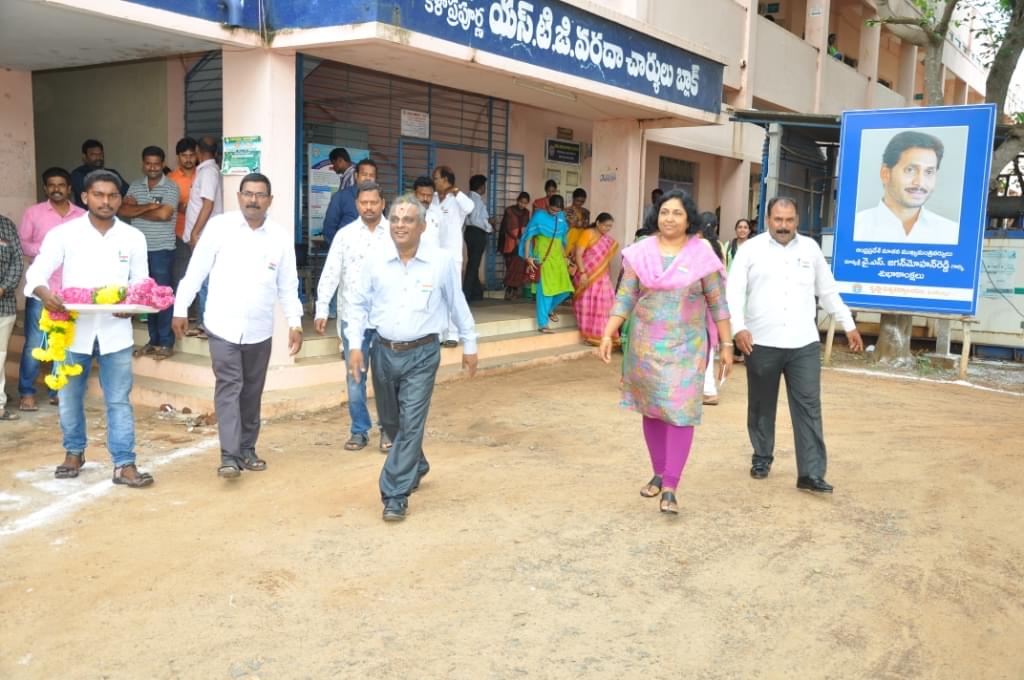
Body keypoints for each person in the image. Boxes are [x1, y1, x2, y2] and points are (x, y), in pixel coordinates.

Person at [344, 195, 479, 522]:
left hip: (423, 352)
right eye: (395, 219)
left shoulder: (441, 261)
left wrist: (469, 343)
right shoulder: (374, 259)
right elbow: (358, 304)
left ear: (422, 225)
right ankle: (416, 462)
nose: (400, 225)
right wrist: (354, 345)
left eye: (407, 220)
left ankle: (394, 492)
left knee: (412, 421)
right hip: (384, 350)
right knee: (392, 423)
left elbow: (456, 302)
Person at [597, 189, 733, 515]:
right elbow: (626, 295)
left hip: (687, 348)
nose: (669, 218)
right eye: (664, 212)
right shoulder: (640, 253)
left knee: (681, 412)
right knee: (652, 409)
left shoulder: (702, 255)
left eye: (677, 213)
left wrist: (726, 345)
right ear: (656, 216)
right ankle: (658, 471)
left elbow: (717, 302)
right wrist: (607, 330)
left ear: (689, 219)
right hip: (645, 346)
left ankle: (671, 485)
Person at [23, 170, 154, 487]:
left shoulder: (133, 237)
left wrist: (132, 308)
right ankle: (74, 452)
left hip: (116, 333)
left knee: (119, 399)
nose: (106, 201)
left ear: (120, 199)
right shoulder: (64, 234)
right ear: (84, 197)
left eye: (112, 195)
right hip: (72, 331)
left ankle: (124, 463)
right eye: (99, 194)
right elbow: (37, 273)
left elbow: (140, 282)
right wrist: (45, 295)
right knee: (69, 397)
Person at [726, 197, 864, 494]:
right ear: (767, 219)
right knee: (762, 405)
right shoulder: (751, 249)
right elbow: (734, 292)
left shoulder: (811, 249)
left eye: (789, 220)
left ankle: (810, 473)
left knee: (809, 407)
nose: (784, 226)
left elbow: (827, 291)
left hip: (804, 343)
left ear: (797, 219)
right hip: (761, 342)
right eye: (778, 220)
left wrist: (848, 324)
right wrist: (739, 328)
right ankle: (762, 456)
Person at [172, 173, 303, 479]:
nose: (253, 200)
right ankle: (229, 456)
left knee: (252, 392)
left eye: (260, 195)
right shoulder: (219, 228)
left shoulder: (280, 238)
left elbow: (288, 285)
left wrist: (295, 322)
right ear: (239, 196)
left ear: (270, 200)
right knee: (230, 387)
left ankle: (247, 448)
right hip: (222, 325)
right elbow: (196, 272)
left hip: (260, 330)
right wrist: (180, 309)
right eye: (248, 194)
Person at [314, 181, 393, 453]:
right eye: (363, 203)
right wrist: (322, 308)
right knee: (355, 378)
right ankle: (359, 430)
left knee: (386, 380)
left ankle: (387, 430)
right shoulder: (345, 235)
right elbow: (331, 272)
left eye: (373, 202)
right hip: (353, 321)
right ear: (357, 204)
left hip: (387, 321)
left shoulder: (395, 234)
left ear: (383, 203)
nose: (368, 207)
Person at [17, 167, 85, 411]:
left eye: (61, 185)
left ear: (69, 188)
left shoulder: (82, 215)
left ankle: (58, 388)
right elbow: (23, 243)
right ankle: (27, 392)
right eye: (51, 185)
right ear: (46, 188)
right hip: (42, 290)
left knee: (66, 341)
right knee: (37, 343)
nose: (57, 189)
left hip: (72, 291)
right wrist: (49, 251)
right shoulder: (34, 213)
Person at [120, 145, 180, 360]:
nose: (152, 167)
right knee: (147, 298)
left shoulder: (171, 187)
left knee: (162, 297)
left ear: (163, 164)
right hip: (139, 252)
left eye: (157, 163)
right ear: (143, 163)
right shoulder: (136, 185)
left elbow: (164, 215)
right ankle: (153, 340)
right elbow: (123, 211)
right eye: (148, 163)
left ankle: (165, 342)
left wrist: (139, 209)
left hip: (161, 250)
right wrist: (150, 206)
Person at [853, 130, 959, 245]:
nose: (920, 182)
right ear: (885, 173)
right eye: (910, 170)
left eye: (929, 172)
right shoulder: (854, 228)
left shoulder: (952, 234)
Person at [429, 165, 475, 346]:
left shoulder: (458, 199)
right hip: (434, 254)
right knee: (436, 294)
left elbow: (470, 208)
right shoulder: (432, 198)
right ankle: (440, 333)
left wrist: (455, 191)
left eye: (436, 178)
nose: (434, 181)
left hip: (452, 254)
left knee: (453, 294)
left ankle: (453, 334)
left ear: (446, 180)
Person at [183, 136, 223, 337]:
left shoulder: (208, 172)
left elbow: (208, 204)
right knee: (203, 279)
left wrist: (195, 232)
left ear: (198, 150)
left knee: (206, 280)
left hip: (204, 236)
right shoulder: (207, 170)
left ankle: (207, 325)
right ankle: (202, 323)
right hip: (204, 234)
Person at [520, 194, 573, 334]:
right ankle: (543, 324)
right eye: (552, 209)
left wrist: (566, 258)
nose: (554, 212)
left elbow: (562, 240)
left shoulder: (561, 218)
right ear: (547, 204)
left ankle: (549, 309)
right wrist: (528, 257)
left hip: (558, 259)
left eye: (557, 210)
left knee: (566, 289)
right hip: (542, 257)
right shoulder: (539, 216)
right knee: (545, 292)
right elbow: (528, 237)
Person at [570, 212, 618, 346]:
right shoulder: (588, 233)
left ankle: (602, 335)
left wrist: (606, 274)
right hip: (586, 273)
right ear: (598, 223)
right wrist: (583, 272)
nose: (607, 229)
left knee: (604, 304)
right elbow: (579, 254)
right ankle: (587, 335)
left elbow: (605, 260)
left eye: (610, 227)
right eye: (605, 226)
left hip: (602, 276)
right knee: (586, 304)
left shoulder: (607, 239)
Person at [698, 212, 727, 406]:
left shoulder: (701, 246)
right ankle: (708, 388)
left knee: (702, 344)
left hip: (702, 302)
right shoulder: (719, 246)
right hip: (714, 301)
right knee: (709, 343)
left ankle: (708, 389)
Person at [0, 214, 24, 421]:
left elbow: (17, 261)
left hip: (3, 304)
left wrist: (3, 288)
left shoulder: (6, 224)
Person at [323, 158, 377, 248]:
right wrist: (340, 252)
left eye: (371, 175)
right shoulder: (340, 197)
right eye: (364, 174)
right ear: (356, 176)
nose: (368, 178)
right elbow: (329, 230)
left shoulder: (378, 200)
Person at [167, 137, 197, 289]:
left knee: (201, 274)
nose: (188, 159)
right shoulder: (171, 179)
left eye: (192, 155)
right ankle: (181, 311)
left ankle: (197, 311)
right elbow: (167, 205)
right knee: (180, 274)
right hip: (179, 233)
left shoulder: (203, 174)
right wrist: (180, 206)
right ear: (178, 157)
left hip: (201, 232)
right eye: (184, 155)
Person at [69, 139, 127, 209]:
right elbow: (93, 197)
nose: (98, 157)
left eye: (100, 154)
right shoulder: (78, 174)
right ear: (84, 157)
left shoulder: (112, 173)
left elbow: (127, 193)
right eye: (93, 155)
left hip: (110, 216)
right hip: (86, 216)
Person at [462, 174, 491, 302]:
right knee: (473, 264)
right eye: (484, 185)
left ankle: (477, 293)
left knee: (474, 263)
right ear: (480, 187)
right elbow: (475, 219)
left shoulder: (469, 197)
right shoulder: (476, 200)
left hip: (470, 232)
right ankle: (466, 294)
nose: (485, 188)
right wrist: (488, 227)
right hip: (476, 233)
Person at [497, 191, 531, 300]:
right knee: (510, 266)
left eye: (525, 203)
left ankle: (514, 291)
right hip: (509, 243)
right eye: (521, 202)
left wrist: (523, 240)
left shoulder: (527, 212)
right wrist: (515, 238)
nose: (523, 205)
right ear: (517, 200)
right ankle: (509, 290)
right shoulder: (509, 210)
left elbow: (527, 227)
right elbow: (506, 227)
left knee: (518, 267)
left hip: (521, 243)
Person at [411, 176, 442, 250]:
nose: (425, 199)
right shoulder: (405, 212)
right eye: (422, 194)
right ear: (415, 194)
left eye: (429, 195)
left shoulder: (438, 212)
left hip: (434, 259)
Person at [564, 187, 591, 263]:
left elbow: (587, 228)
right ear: (573, 198)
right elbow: (564, 227)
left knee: (579, 261)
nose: (580, 203)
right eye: (578, 201)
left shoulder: (586, 212)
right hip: (569, 239)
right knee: (568, 262)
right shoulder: (566, 211)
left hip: (581, 239)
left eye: (582, 201)